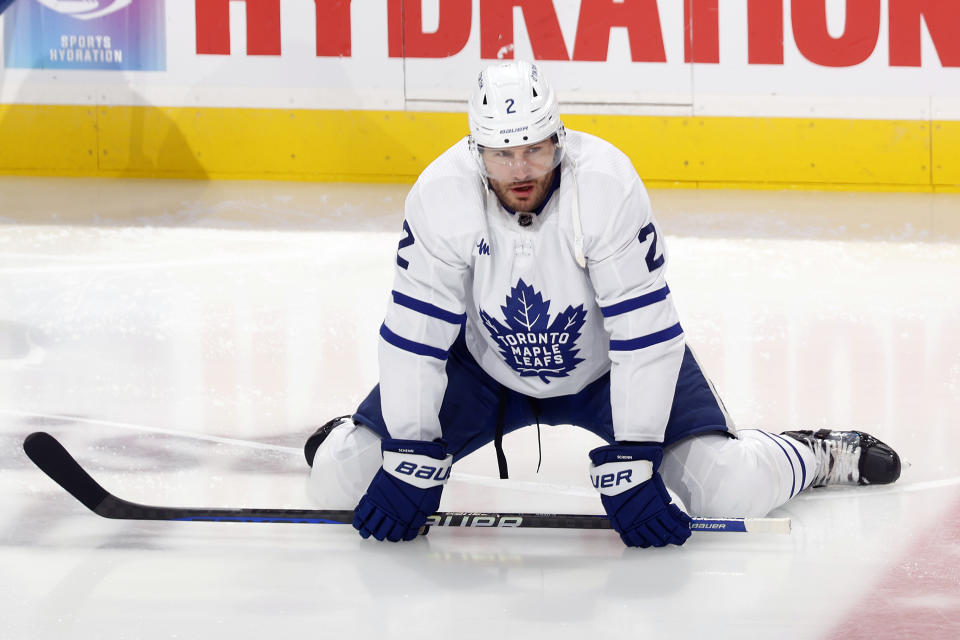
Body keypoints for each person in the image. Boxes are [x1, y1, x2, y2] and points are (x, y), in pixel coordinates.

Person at [303, 60, 901, 547]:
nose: (520, 169)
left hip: (608, 371)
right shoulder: (440, 194)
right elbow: (415, 334)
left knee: (727, 489)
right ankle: (344, 435)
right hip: (483, 371)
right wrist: (407, 449)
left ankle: (814, 453)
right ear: (474, 149)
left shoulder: (606, 184)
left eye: (534, 149)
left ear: (558, 136)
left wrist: (638, 453)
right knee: (339, 480)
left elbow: (646, 335)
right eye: (501, 154)